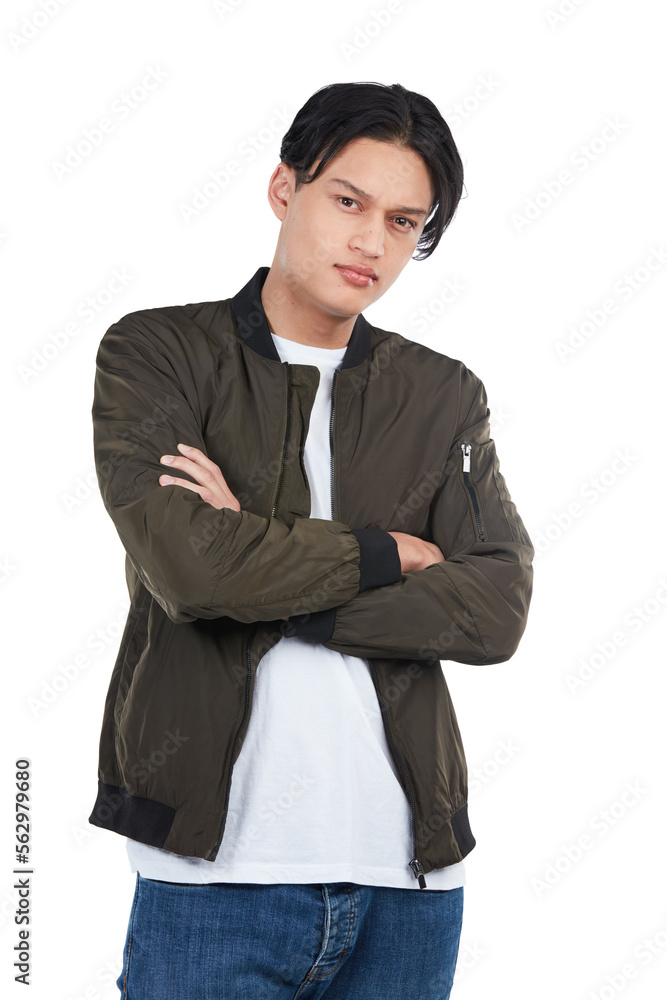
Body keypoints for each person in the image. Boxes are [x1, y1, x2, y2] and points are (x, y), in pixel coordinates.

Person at [89, 81, 534, 999]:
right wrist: (387, 552)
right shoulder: (158, 353)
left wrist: (257, 556)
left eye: (405, 222)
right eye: (348, 201)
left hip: (410, 888)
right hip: (211, 884)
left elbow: (495, 610)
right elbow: (189, 568)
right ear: (284, 188)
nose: (372, 241)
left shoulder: (442, 392)